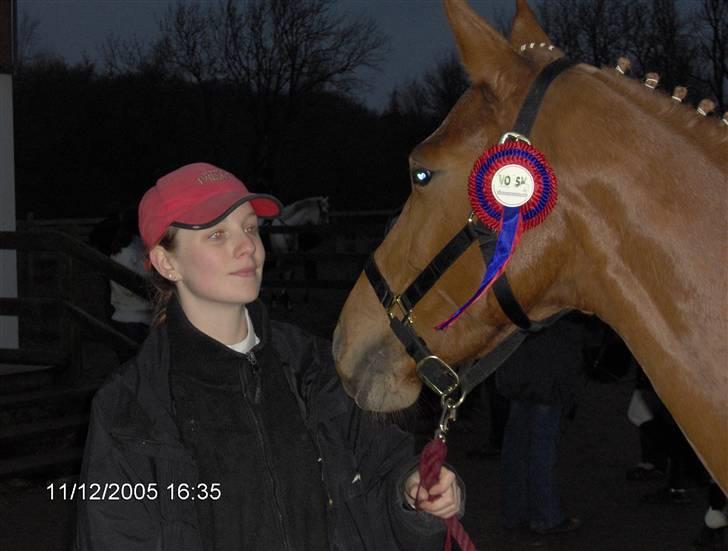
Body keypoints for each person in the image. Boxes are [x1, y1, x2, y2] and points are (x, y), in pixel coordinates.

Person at [74, 162, 462, 551]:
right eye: (217, 234)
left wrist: (412, 496)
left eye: (249, 228)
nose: (246, 246)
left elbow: (383, 476)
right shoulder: (130, 408)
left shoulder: (315, 367)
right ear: (166, 262)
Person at [496, 311, 593, 536]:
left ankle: (514, 512)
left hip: (520, 361)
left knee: (517, 440)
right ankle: (545, 515)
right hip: (549, 363)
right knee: (542, 442)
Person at [108, 207, 152, 357]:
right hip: (139, 319)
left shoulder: (118, 250)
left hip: (121, 315)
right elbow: (145, 281)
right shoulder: (136, 251)